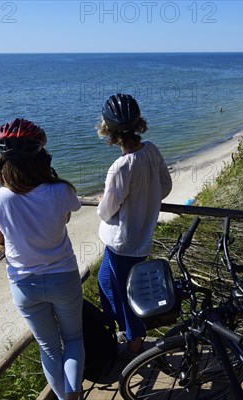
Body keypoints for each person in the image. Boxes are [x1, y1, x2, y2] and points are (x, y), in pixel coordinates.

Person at [0, 118, 84, 400]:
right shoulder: (61, 190)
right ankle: (74, 395)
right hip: (63, 277)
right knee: (73, 339)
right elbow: (66, 217)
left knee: (49, 349)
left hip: (24, 283)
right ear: (41, 157)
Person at [96, 94, 172, 355]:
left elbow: (107, 211)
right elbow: (165, 186)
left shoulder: (120, 167)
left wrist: (104, 202)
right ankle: (127, 332)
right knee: (106, 283)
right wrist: (146, 199)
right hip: (141, 237)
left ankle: (134, 342)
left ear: (109, 131)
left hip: (122, 242)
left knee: (125, 295)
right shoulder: (151, 149)